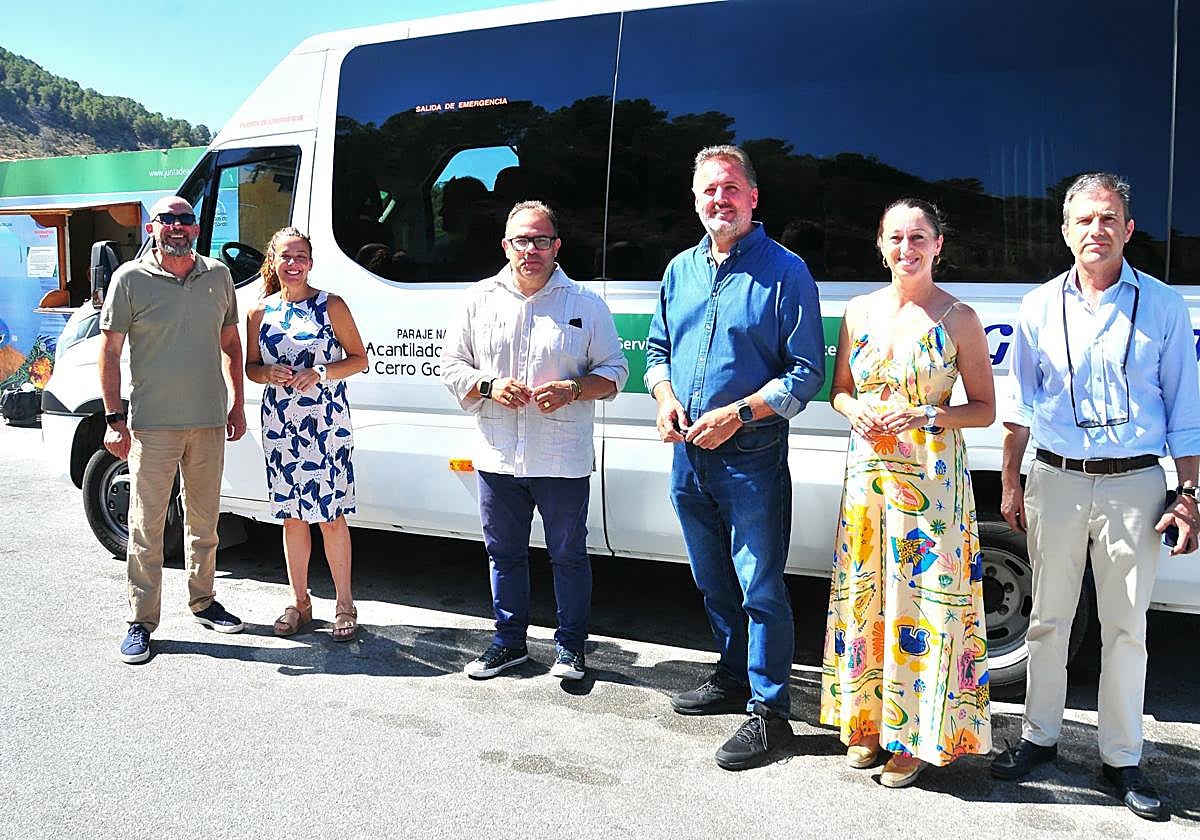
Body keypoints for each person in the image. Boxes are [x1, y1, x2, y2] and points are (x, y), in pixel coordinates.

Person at [991, 173, 1200, 821]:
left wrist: (1188, 494)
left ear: (1129, 229)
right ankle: (1039, 739)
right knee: (1048, 618)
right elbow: (1020, 409)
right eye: (1083, 220)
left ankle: (1122, 757)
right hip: (1053, 478)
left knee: (1126, 627)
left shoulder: (1164, 307)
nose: (1096, 230)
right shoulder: (1036, 308)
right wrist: (1008, 483)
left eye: (1108, 219)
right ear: (1064, 230)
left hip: (1135, 481)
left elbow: (1185, 413)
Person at [645, 145, 825, 770]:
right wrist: (665, 398)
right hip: (687, 456)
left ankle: (771, 713)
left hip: (750, 455)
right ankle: (730, 674)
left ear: (753, 198)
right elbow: (658, 352)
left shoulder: (787, 271)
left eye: (729, 189)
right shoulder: (679, 270)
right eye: (707, 192)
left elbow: (806, 374)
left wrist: (739, 414)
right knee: (710, 577)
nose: (718, 201)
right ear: (696, 202)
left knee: (760, 585)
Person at [820, 199, 995, 788]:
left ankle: (916, 736)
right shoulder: (858, 311)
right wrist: (854, 408)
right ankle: (867, 719)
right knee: (868, 598)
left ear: (938, 245)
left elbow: (986, 411)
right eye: (895, 237)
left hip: (932, 482)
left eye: (918, 237)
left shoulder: (960, 317)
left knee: (924, 604)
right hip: (868, 481)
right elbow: (838, 391)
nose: (906, 248)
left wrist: (928, 412)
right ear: (879, 244)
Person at [441, 200, 628, 681]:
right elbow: (451, 366)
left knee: (568, 554)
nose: (531, 250)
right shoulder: (477, 300)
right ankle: (509, 643)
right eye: (521, 240)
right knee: (503, 553)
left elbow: (615, 373)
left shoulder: (585, 305)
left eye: (541, 240)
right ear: (506, 245)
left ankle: (571, 648)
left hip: (561, 457)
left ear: (556, 246)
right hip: (498, 453)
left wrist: (572, 389)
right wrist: (488, 386)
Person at [99, 196, 247, 664]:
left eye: (185, 220)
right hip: (152, 426)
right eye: (168, 219)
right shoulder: (129, 279)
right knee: (147, 526)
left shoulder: (218, 275)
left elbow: (230, 343)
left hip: (207, 421)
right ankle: (141, 621)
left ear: (197, 228)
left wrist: (237, 402)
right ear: (151, 227)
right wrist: (112, 419)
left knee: (204, 523)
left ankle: (203, 601)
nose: (177, 227)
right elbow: (109, 351)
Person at [246, 228, 367, 642]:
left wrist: (322, 372)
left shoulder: (331, 305)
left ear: (311, 262)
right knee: (292, 515)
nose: (293, 263)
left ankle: (345, 604)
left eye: (301, 256)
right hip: (281, 424)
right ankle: (299, 602)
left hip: (326, 422)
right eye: (286, 256)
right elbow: (251, 367)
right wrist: (268, 373)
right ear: (274, 261)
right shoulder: (259, 312)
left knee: (331, 516)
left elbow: (359, 360)